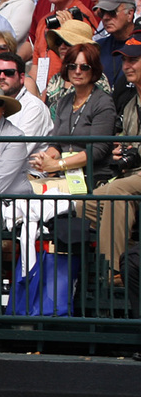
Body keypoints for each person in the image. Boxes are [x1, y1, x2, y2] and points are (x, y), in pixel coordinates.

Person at [82, 36, 141, 282]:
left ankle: (111, 272)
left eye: (134, 60)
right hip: (130, 176)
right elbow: (125, 139)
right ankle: (130, 259)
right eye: (124, 60)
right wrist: (120, 148)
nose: (127, 65)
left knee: (115, 193)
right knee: (82, 206)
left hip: (133, 177)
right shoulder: (129, 101)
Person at [35, 42, 115, 183]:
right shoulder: (64, 101)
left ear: (94, 70)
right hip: (65, 175)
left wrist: (58, 164)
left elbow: (97, 150)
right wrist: (45, 160)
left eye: (84, 67)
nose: (77, 71)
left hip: (94, 177)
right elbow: (57, 144)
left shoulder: (103, 102)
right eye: (72, 66)